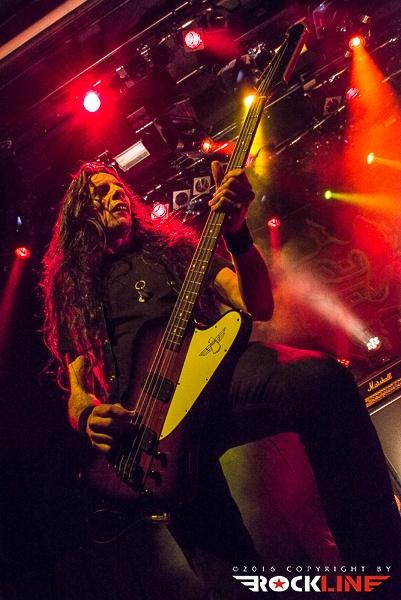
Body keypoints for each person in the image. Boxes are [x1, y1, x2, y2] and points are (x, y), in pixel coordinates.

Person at [41, 160, 401, 598]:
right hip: (152, 428)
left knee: (322, 382)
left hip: (217, 375)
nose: (115, 194)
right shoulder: (76, 285)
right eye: (99, 192)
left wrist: (238, 233)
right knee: (232, 578)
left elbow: (258, 304)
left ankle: (382, 573)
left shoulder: (172, 250)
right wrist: (86, 417)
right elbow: (77, 384)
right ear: (80, 215)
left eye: (118, 188)